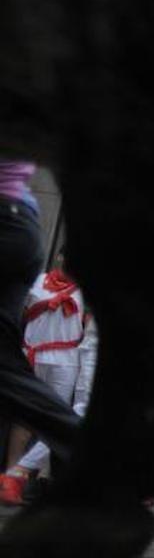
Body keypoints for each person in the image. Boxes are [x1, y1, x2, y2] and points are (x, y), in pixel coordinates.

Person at [0, 162, 84, 507]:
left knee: (58, 405)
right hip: (35, 351)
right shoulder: (39, 283)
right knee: (18, 394)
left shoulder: (84, 292)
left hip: (67, 357)